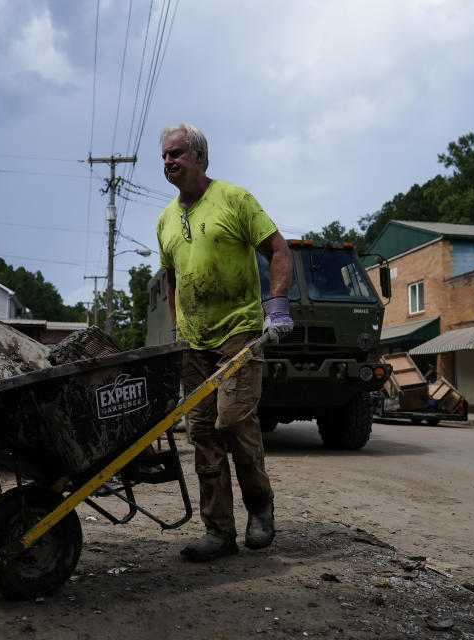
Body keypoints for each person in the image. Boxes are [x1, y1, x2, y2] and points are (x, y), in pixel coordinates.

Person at [156, 123, 294, 562]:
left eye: (176, 153)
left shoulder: (234, 199)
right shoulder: (165, 220)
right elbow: (173, 278)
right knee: (201, 436)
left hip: (238, 332)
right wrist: (179, 332)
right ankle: (218, 533)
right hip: (193, 345)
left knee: (234, 423)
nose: (168, 162)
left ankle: (260, 507)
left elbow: (278, 249)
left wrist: (276, 307)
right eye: (164, 156)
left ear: (199, 157)